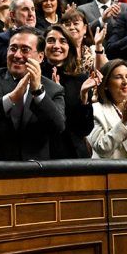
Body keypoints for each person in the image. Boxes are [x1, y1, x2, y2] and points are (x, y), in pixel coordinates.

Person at [0, 27, 65, 160]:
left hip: (34, 168)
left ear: (40, 57)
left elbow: (58, 127)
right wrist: (11, 98)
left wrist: (38, 92)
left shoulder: (53, 89)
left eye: (25, 50)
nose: (17, 55)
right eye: (13, 48)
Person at [41, 25, 95, 158]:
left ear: (69, 47)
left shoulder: (81, 80)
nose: (56, 46)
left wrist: (84, 97)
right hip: (43, 152)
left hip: (73, 154)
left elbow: (84, 129)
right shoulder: (34, 77)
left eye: (63, 41)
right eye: (51, 40)